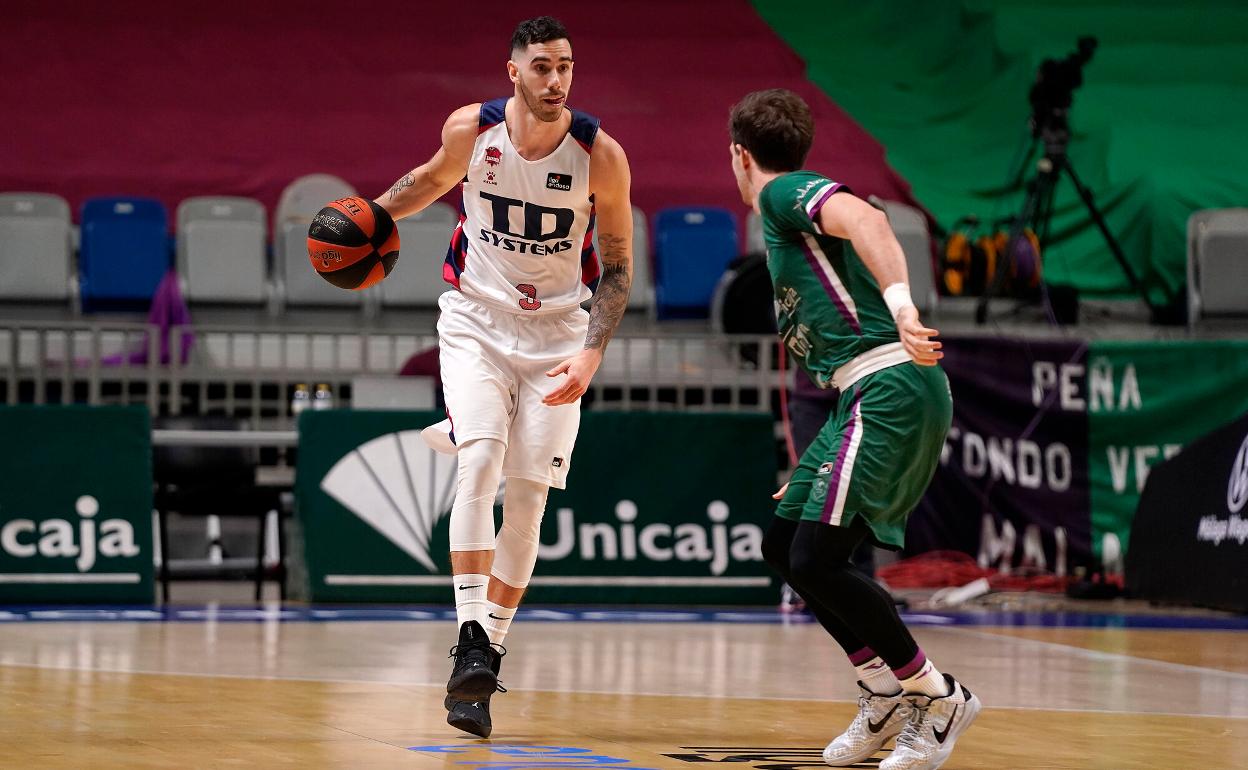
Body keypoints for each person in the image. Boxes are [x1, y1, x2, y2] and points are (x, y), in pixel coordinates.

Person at [376, 16, 632, 738]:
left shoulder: (600, 156)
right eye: (544, 67)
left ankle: (490, 647)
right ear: (513, 71)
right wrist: (367, 215)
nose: (558, 81)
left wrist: (590, 352)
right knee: (480, 462)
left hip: (558, 332)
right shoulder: (471, 132)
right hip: (476, 320)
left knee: (527, 504)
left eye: (567, 68)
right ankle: (468, 635)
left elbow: (616, 266)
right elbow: (428, 182)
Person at [728, 89, 979, 770]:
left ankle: (937, 694)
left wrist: (901, 306)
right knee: (784, 547)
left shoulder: (782, 195)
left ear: (739, 156)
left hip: (889, 383)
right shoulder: (787, 228)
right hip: (860, 396)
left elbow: (866, 219)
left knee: (818, 559)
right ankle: (879, 689)